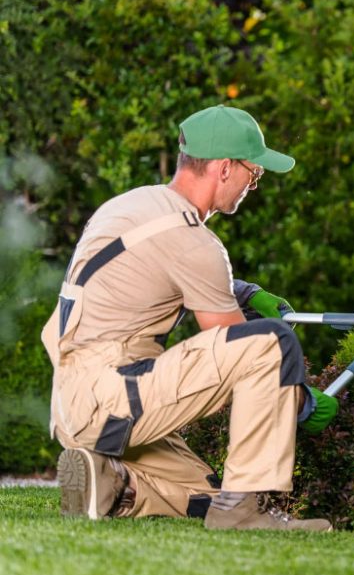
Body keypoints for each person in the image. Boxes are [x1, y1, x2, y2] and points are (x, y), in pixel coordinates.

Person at [40, 104, 338, 531]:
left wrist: (248, 293)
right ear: (222, 168)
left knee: (209, 492)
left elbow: (152, 276)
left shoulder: (134, 206)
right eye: (253, 174)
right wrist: (303, 403)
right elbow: (239, 351)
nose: (253, 185)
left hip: (75, 404)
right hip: (112, 398)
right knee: (273, 343)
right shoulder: (195, 242)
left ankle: (114, 482)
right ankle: (241, 515)